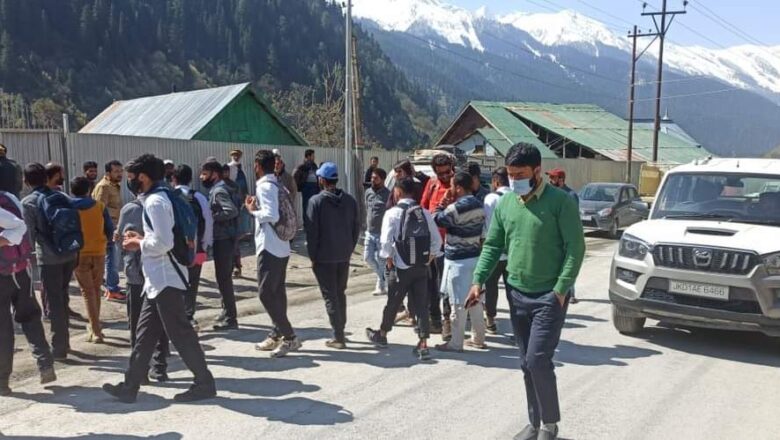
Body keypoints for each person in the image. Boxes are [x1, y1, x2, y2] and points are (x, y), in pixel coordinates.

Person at [467, 143, 585, 440]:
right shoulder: (507, 204)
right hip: (516, 292)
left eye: (520, 174)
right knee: (524, 363)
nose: (514, 180)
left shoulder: (560, 202)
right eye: (510, 174)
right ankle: (534, 423)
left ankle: (550, 425)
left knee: (537, 361)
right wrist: (478, 279)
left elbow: (575, 248)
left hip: (549, 296)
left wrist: (561, 289)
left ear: (537, 171)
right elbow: (493, 245)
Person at [103, 154, 215, 404]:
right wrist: (141, 237)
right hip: (157, 280)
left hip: (166, 278)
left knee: (181, 334)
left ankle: (204, 382)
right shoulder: (160, 197)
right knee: (143, 335)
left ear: (143, 177)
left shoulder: (155, 201)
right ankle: (130, 386)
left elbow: (164, 242)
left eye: (131, 178)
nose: (129, 182)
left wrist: (138, 242)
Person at [365, 177, 441, 360]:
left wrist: (389, 258)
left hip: (400, 267)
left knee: (393, 302)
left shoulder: (392, 213)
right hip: (421, 267)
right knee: (422, 305)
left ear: (397, 192)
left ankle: (382, 334)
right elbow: (437, 241)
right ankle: (423, 344)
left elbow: (385, 242)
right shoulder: (424, 213)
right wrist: (428, 258)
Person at [0, 186, 57, 395]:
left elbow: (18, 227)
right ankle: (45, 363)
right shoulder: (9, 197)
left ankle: (2, 381)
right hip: (20, 269)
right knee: (30, 317)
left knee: (2, 330)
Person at [246, 150, 302, 358]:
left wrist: (252, 211)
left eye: (255, 164)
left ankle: (289, 336)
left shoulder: (265, 187)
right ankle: (277, 333)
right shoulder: (278, 184)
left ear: (258, 166)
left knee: (266, 293)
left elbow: (271, 214)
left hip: (269, 245)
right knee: (277, 291)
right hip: (282, 245)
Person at [117, 162, 169, 383]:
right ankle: (159, 367)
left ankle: (139, 370)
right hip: (159, 273)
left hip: (137, 274)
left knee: (138, 325)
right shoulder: (167, 201)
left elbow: (122, 240)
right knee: (160, 323)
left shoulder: (132, 208)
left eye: (131, 176)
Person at [22, 163, 78, 360]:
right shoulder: (63, 197)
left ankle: (60, 348)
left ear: (25, 181)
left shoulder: (28, 202)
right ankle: (65, 342)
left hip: (49, 258)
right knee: (63, 297)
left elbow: (28, 236)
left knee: (53, 302)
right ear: (46, 179)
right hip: (70, 254)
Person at [305, 162, 360, 349]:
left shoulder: (315, 202)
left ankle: (338, 336)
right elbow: (356, 228)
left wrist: (312, 256)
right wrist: (349, 248)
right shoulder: (350, 200)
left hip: (324, 256)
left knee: (330, 295)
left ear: (321, 180)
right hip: (343, 254)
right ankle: (340, 330)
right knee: (340, 293)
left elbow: (312, 232)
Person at [433, 172, 487, 352]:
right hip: (475, 257)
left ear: (458, 187)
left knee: (458, 303)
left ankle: (456, 343)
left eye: (451, 185)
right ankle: (478, 339)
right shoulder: (480, 205)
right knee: (476, 301)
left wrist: (442, 201)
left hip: (457, 261)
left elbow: (437, 218)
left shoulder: (456, 208)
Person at [71, 177, 113, 343]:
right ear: (89, 190)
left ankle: (95, 330)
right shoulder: (99, 206)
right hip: (99, 251)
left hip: (79, 253)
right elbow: (109, 228)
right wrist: (106, 241)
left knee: (87, 291)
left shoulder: (70, 207)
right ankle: (96, 327)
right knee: (96, 289)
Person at [172, 165, 212, 331]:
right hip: (197, 249)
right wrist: (205, 244)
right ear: (190, 179)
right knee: (192, 283)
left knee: (175, 283)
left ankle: (176, 318)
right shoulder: (199, 197)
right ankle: (189, 316)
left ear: (173, 179)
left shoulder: (170, 197)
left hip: (174, 250)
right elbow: (208, 222)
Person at [420, 153, 456, 339]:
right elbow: (423, 209)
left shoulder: (457, 186)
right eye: (440, 173)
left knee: (446, 284)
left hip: (451, 244)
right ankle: (435, 320)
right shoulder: (432, 184)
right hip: (433, 244)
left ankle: (447, 321)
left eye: (447, 172)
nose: (444, 176)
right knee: (431, 283)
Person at [201, 161, 240, 330]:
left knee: (224, 279)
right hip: (227, 238)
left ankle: (231, 318)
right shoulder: (223, 188)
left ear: (214, 174)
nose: (202, 177)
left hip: (223, 239)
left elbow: (231, 211)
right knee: (223, 278)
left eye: (205, 173)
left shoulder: (219, 191)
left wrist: (212, 216)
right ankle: (226, 311)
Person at [482, 167, 512, 336]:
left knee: (491, 287)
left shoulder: (491, 198)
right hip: (513, 253)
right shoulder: (517, 197)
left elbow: (487, 227)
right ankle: (518, 324)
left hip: (494, 252)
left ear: (495, 182)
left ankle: (491, 321)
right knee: (513, 290)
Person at [546, 168, 580, 304]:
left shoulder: (570, 195)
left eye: (553, 178)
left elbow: (573, 218)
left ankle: (570, 293)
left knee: (568, 264)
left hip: (565, 236)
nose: (550, 180)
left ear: (561, 180)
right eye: (551, 177)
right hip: (552, 235)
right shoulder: (550, 195)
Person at [93, 160, 125, 303]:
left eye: (120, 171)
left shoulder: (113, 186)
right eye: (116, 171)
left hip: (114, 226)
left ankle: (112, 286)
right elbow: (99, 209)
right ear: (108, 173)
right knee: (112, 258)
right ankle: (112, 289)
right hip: (107, 228)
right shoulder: (104, 187)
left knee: (113, 258)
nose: (120, 174)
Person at [364, 167, 390, 296]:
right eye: (372, 178)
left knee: (381, 260)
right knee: (367, 258)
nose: (373, 180)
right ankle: (382, 278)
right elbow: (366, 208)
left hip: (382, 233)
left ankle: (381, 285)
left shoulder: (388, 195)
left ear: (383, 179)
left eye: (376, 178)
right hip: (369, 231)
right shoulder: (368, 192)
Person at [294, 149, 319, 227]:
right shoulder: (303, 166)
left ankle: (313, 223)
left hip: (315, 187)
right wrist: (300, 185)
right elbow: (296, 175)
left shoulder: (314, 165)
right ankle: (306, 224)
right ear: (308, 156)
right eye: (312, 155)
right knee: (306, 206)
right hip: (307, 187)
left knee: (315, 206)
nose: (314, 157)